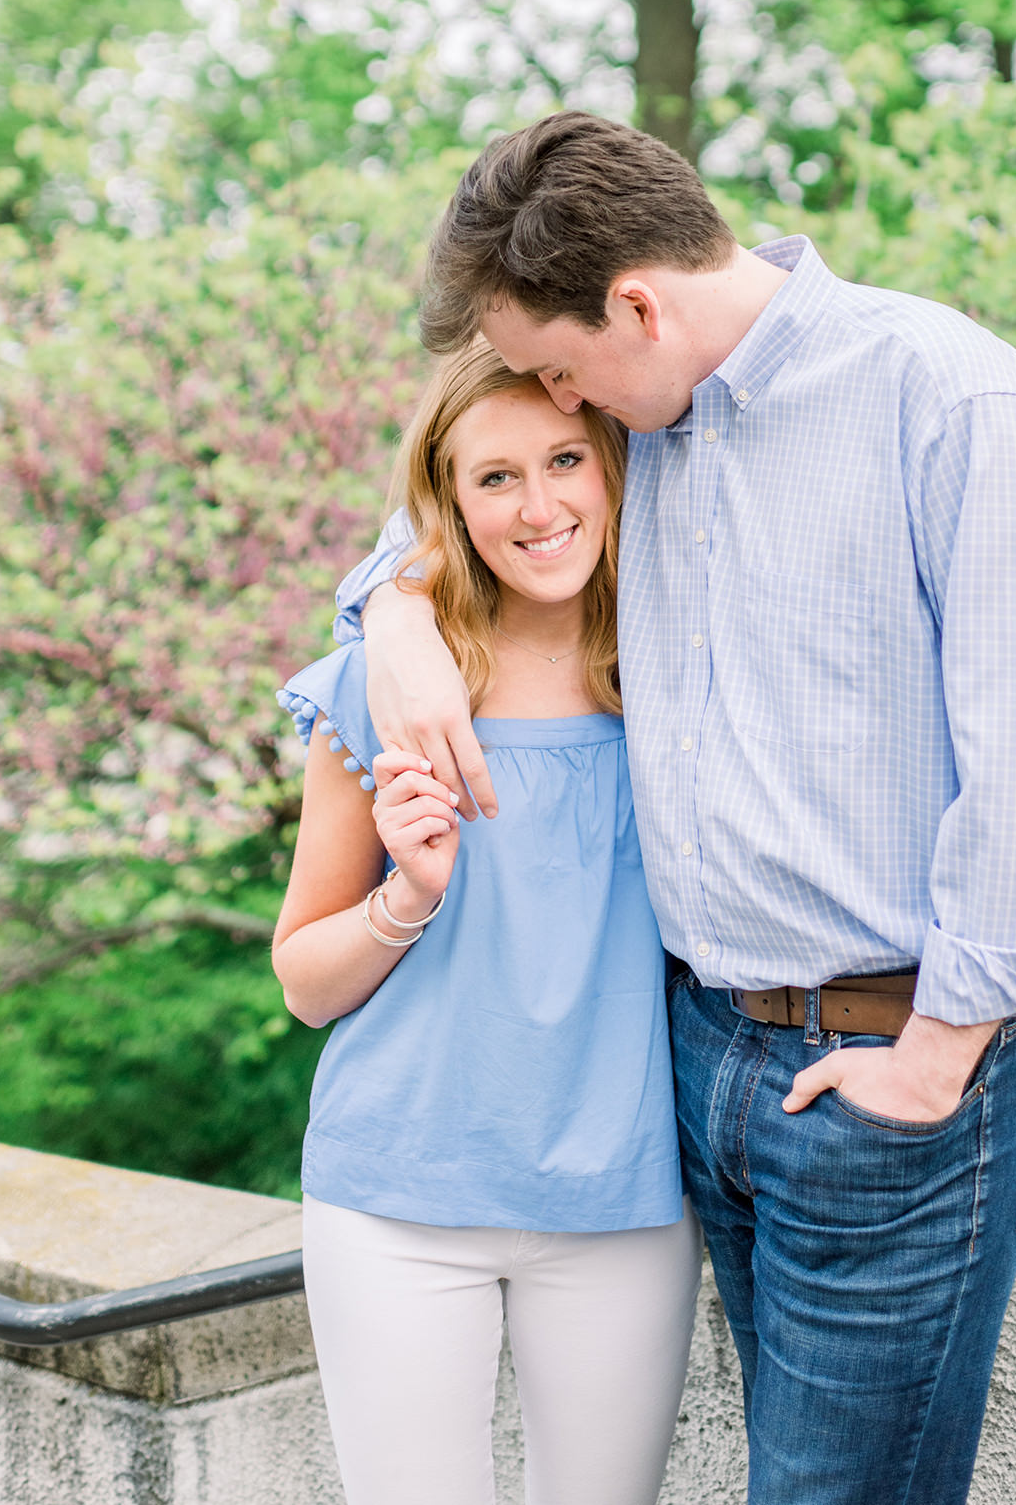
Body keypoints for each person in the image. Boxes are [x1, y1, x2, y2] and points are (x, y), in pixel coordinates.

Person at [341, 112, 1016, 1505]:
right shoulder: (649, 424)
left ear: (636, 303)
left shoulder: (940, 395)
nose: (552, 400)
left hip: (893, 1071)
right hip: (706, 1061)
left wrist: (936, 1052)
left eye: (556, 367)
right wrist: (391, 622)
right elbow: (457, 516)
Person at [271, 340, 701, 1505]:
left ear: (615, 462)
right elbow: (305, 982)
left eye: (566, 459)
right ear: (449, 502)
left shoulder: (681, 677)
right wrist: (403, 899)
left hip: (621, 1201)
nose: (540, 504)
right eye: (495, 478)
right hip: (395, 1202)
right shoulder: (383, 688)